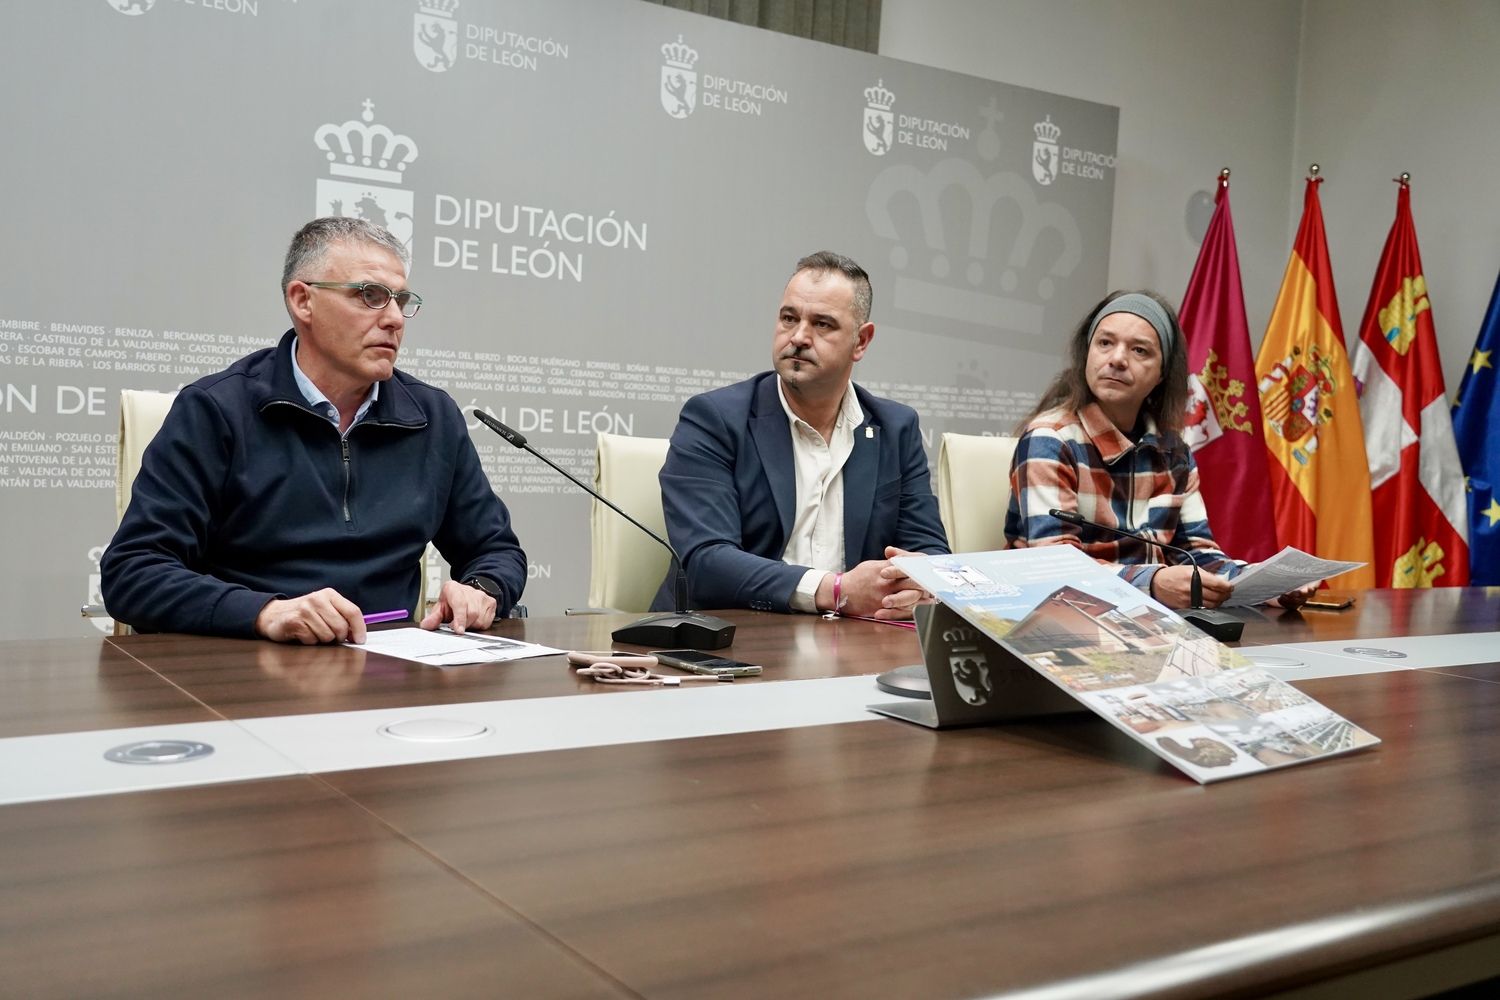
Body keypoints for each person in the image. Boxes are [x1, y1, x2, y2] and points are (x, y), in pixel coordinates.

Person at [101, 217, 526, 644]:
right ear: (303, 301)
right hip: (248, 666)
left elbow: (495, 550)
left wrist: (482, 589)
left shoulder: (432, 416)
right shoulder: (216, 410)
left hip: (391, 672)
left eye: (401, 300)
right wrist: (264, 612)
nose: (395, 319)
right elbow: (134, 571)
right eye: (371, 296)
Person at [655, 251, 949, 619]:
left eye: (823, 324)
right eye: (789, 318)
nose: (798, 337)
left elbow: (931, 553)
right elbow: (706, 562)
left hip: (854, 639)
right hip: (734, 637)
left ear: (861, 341)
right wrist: (835, 590)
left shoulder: (895, 428)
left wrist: (914, 584)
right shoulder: (714, 419)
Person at [1004, 289, 1313, 609]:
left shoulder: (1174, 452)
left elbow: (1198, 554)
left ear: (1162, 373)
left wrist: (1266, 585)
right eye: (1105, 343)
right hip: (1061, 617)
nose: (1117, 359)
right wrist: (1150, 583)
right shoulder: (1050, 440)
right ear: (1087, 354)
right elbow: (1055, 567)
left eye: (1139, 350)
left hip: (1150, 618)